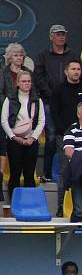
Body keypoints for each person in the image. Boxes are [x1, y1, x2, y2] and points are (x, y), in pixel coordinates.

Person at [49, 60, 82, 216]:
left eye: (78, 69)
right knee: (65, 172)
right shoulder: (58, 90)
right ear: (66, 71)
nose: (76, 71)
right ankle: (62, 206)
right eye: (73, 69)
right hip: (65, 138)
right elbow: (54, 114)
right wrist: (67, 133)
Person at [34, 24, 81, 182]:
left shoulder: (73, 54)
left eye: (63, 34)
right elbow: (38, 78)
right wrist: (52, 94)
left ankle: (74, 172)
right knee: (52, 137)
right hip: (49, 102)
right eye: (58, 34)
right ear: (51, 36)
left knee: (73, 136)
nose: (61, 37)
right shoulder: (43, 55)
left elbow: (79, 75)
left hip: (70, 103)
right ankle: (47, 173)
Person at [1, 70, 45, 200]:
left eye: (29, 81)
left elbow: (41, 121)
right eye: (24, 81)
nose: (27, 84)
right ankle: (14, 203)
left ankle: (29, 204)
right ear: (18, 83)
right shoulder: (10, 99)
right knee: (14, 174)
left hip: (31, 141)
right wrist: (14, 137)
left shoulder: (37, 100)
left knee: (29, 174)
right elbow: (4, 120)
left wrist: (33, 138)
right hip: (14, 141)